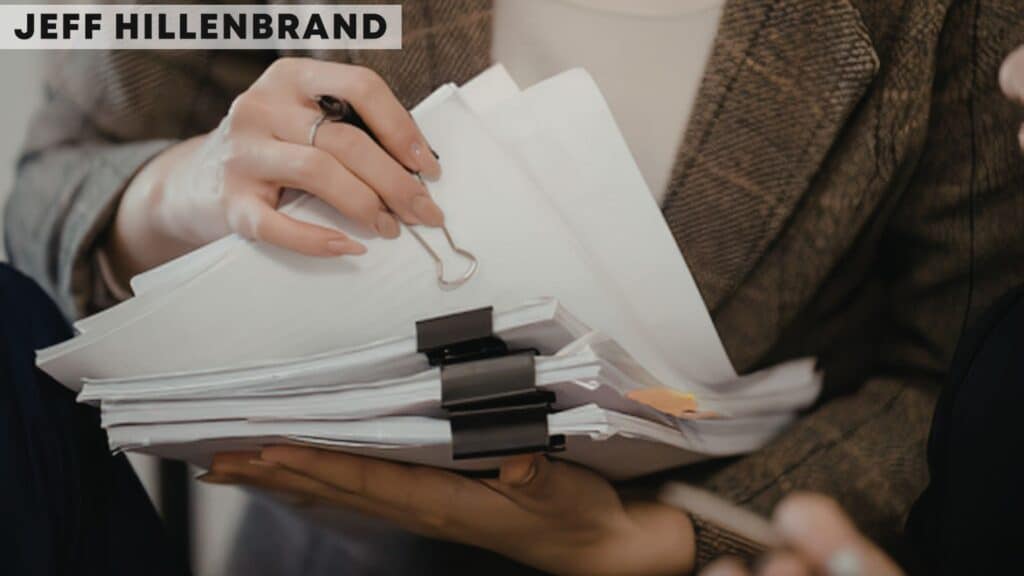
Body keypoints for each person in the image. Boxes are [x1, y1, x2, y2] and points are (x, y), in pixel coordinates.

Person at [5, 0, 1024, 573]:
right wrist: (186, 188)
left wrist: (664, 539)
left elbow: (957, 373)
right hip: (330, 549)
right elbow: (47, 197)